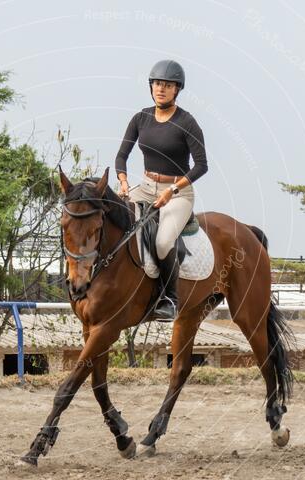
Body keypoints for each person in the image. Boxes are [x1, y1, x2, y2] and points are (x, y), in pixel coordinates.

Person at [115, 59, 208, 321]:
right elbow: (121, 156)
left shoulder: (187, 122)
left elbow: (201, 166)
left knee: (163, 241)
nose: (161, 89)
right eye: (157, 84)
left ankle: (170, 299)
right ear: (151, 86)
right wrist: (123, 183)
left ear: (177, 90)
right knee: (114, 218)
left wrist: (172, 190)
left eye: (167, 85)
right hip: (144, 187)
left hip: (177, 192)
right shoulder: (140, 118)